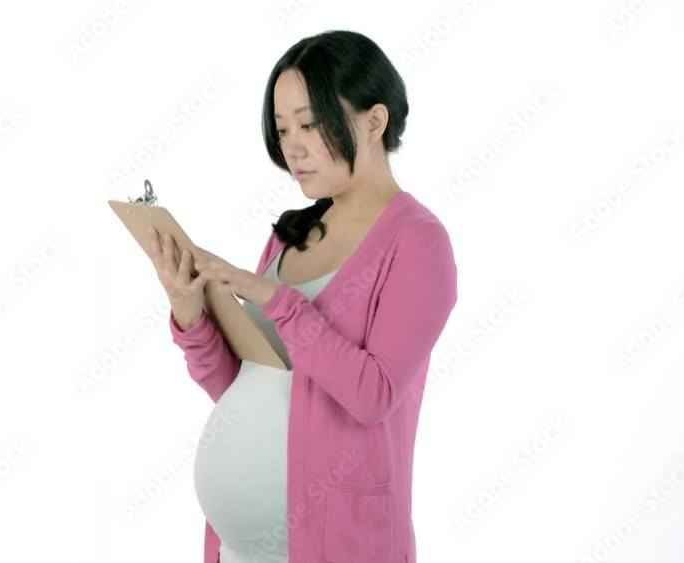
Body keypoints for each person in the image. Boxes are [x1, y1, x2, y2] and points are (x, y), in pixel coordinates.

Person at [146, 29, 458, 563]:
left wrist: (276, 299)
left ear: (374, 121)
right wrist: (191, 315)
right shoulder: (289, 235)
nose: (292, 147)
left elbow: (373, 394)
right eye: (283, 127)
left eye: (310, 124)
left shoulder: (417, 242)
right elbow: (245, 389)